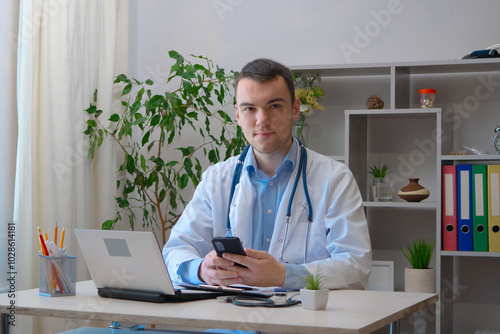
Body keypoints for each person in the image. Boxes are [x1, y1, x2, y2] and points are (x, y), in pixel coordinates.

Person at [163, 58, 371, 291]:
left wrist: (284, 275)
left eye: (274, 106)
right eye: (250, 108)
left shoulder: (335, 179)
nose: (262, 120)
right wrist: (201, 269)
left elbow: (355, 265)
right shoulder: (217, 180)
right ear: (238, 115)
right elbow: (175, 250)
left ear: (295, 109)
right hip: (229, 320)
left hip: (302, 322)